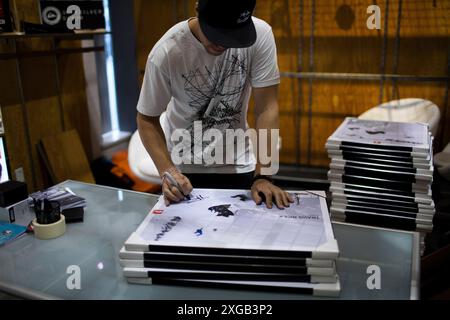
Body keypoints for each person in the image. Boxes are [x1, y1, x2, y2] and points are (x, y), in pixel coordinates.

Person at [136, 0, 293, 209]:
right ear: (198, 9)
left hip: (238, 163)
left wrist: (264, 174)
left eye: (233, 36)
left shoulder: (261, 35)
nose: (223, 44)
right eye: (217, 34)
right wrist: (168, 170)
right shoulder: (167, 51)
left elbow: (267, 108)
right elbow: (147, 118)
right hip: (184, 169)